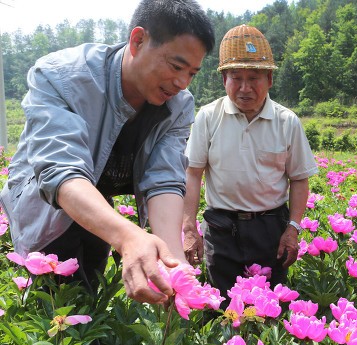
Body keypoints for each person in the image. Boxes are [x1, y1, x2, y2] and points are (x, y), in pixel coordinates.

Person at [0, 0, 215, 305]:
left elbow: (165, 180)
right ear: (138, 40)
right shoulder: (60, 76)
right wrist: (128, 236)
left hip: (99, 204)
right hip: (48, 204)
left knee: (93, 293)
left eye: (192, 73)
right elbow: (60, 172)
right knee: (58, 306)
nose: (181, 83)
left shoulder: (178, 105)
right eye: (176, 66)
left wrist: (174, 263)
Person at [182, 24, 318, 303]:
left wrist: (292, 228)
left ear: (269, 79)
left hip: (270, 228)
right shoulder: (208, 117)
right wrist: (188, 228)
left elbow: (300, 178)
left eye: (254, 78)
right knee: (221, 306)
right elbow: (193, 173)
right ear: (223, 80)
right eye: (236, 77)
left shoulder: (286, 121)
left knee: (269, 308)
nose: (245, 88)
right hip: (221, 228)